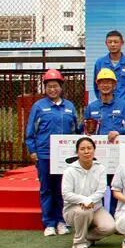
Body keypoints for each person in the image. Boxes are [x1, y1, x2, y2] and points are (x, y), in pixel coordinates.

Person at [25, 68, 78, 237]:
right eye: (49, 86)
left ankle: (61, 221)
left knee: (63, 189)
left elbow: (75, 130)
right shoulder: (38, 107)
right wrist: (32, 151)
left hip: (65, 157)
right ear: (45, 88)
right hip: (44, 154)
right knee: (46, 189)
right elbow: (30, 131)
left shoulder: (69, 107)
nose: (53, 89)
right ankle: (48, 223)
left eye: (55, 86)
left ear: (61, 87)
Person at [61, 137, 116, 248]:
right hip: (74, 209)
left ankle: (86, 237)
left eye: (89, 148)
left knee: (110, 227)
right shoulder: (69, 171)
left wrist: (89, 201)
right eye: (82, 149)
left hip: (96, 208)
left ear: (94, 150)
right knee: (84, 211)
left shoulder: (100, 168)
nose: (86, 151)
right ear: (77, 152)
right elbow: (66, 194)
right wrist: (83, 200)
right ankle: (79, 243)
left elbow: (101, 191)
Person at [85, 68, 125, 145]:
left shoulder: (123, 106)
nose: (105, 85)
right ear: (98, 86)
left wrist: (119, 132)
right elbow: (83, 129)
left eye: (108, 83)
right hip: (97, 148)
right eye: (102, 83)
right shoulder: (91, 107)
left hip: (117, 148)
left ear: (114, 85)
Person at [93, 30, 125, 108]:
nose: (113, 44)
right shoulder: (100, 63)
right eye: (110, 42)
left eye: (116, 42)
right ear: (106, 44)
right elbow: (96, 86)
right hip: (105, 107)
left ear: (122, 43)